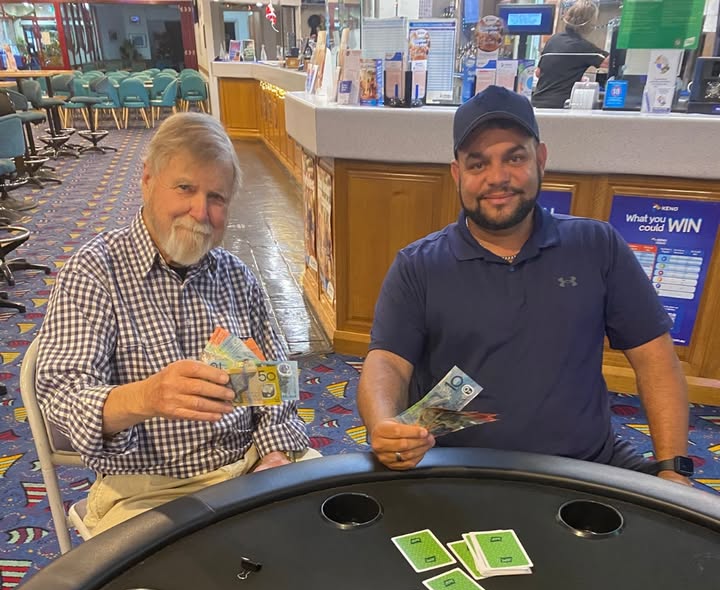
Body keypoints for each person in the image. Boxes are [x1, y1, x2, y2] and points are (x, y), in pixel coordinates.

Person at [357, 86, 693, 487]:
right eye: (478, 164)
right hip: (456, 467)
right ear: (457, 174)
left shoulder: (597, 245)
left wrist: (673, 466)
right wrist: (384, 425)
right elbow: (388, 363)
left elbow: (655, 358)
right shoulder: (418, 265)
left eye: (514, 158)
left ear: (541, 159)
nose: (497, 178)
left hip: (586, 461)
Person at [36, 112, 314, 535]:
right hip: (145, 491)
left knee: (324, 534)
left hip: (247, 465)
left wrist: (273, 455)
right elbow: (61, 403)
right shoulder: (94, 273)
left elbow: (278, 388)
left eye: (216, 197)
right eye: (185, 188)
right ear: (147, 180)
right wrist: (145, 396)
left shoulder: (237, 276)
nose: (200, 212)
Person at [532, 0, 608, 109]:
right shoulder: (583, 47)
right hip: (560, 106)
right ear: (589, 23)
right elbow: (611, 62)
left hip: (537, 103)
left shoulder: (553, 40)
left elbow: (539, 73)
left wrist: (571, 77)